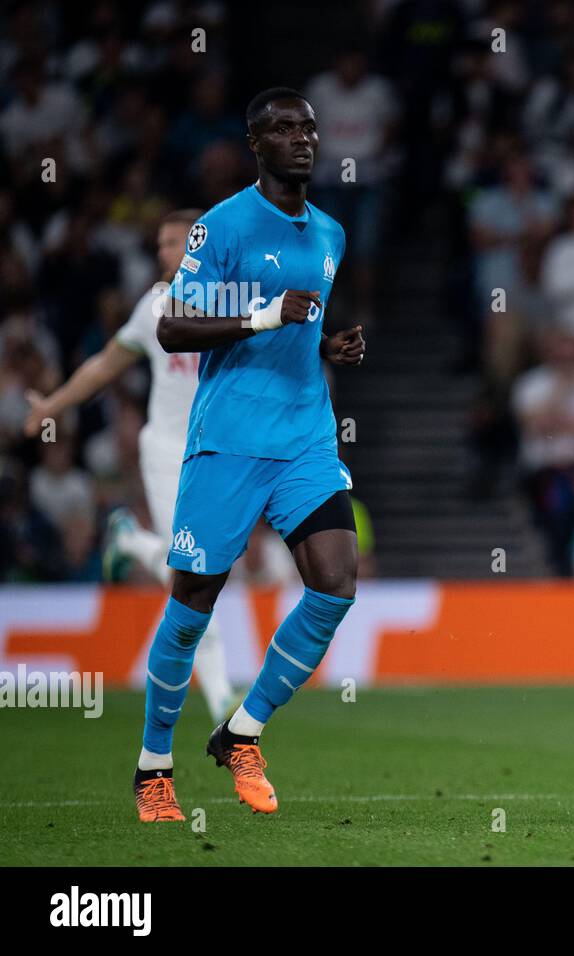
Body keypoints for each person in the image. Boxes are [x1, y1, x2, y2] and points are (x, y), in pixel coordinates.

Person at [132, 88, 366, 823]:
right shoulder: (222, 226)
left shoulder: (330, 232)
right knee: (193, 604)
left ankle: (243, 730)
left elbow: (300, 327)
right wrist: (267, 315)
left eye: (308, 127)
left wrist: (327, 345)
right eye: (283, 129)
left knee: (335, 584)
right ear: (255, 144)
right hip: (228, 439)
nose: (302, 139)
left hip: (304, 435)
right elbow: (173, 329)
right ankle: (153, 766)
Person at [23, 209, 236, 723]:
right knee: (191, 572)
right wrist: (52, 405)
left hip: (218, 453)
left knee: (208, 566)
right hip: (166, 450)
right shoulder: (154, 307)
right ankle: (223, 699)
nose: (163, 252)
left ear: (201, 244)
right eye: (160, 244)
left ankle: (129, 540)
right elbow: (104, 365)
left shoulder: (231, 302)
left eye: (173, 242)